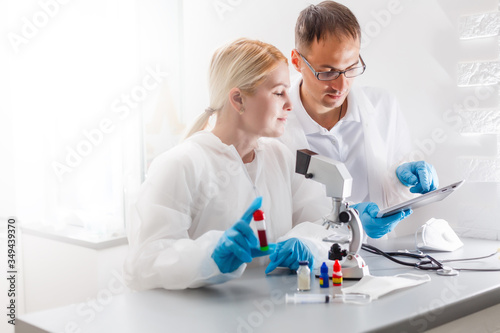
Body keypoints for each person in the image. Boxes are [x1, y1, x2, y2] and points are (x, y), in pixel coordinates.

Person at [124, 38, 341, 290]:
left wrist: (306, 243)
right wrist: (209, 256)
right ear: (238, 99)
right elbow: (144, 262)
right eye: (279, 92)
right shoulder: (181, 164)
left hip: (274, 315)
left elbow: (324, 224)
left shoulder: (281, 158)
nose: (290, 104)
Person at [279, 1, 438, 238]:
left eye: (351, 68)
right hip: (311, 262)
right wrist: (347, 220)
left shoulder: (383, 106)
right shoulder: (274, 123)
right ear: (297, 61)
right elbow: (278, 214)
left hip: (379, 256)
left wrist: (404, 181)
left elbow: (395, 198)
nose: (341, 85)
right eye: (328, 72)